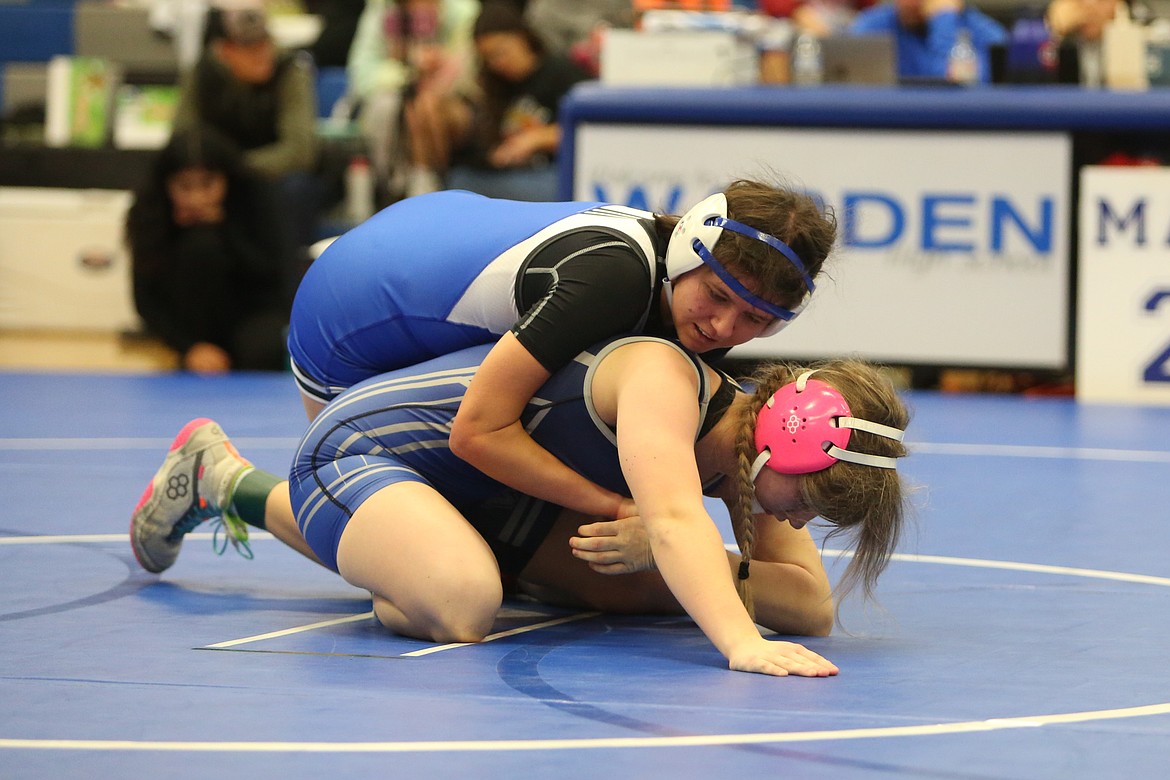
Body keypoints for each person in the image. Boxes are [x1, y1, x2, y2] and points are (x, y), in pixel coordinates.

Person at [130, 332, 911, 676]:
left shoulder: (754, 465)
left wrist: (690, 559)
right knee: (467, 604)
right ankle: (248, 488)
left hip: (487, 496)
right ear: (783, 445)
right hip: (366, 448)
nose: (805, 522)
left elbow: (810, 608)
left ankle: (223, 478)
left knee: (645, 583)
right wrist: (739, 640)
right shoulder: (668, 384)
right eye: (809, 501)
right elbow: (675, 524)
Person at [288, 180, 837, 525]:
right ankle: (233, 485)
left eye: (755, 320)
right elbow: (477, 432)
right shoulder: (613, 282)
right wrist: (617, 508)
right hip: (344, 328)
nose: (724, 326)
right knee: (463, 525)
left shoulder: (672, 291)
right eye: (717, 296)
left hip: (407, 246)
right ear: (688, 245)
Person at [125, 128, 295, 373]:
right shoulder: (150, 212)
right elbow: (145, 298)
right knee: (200, 247)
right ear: (166, 183)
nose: (197, 198)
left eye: (208, 184)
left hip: (252, 312)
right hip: (191, 325)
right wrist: (189, 347)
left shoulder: (256, 196)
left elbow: (273, 274)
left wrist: (225, 229)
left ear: (226, 177)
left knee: (262, 351)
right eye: (184, 186)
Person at [171, 3, 323, 258]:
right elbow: (182, 142)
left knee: (297, 188)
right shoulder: (202, 75)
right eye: (249, 48)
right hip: (216, 179)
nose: (262, 54)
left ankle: (290, 272)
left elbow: (300, 151)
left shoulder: (289, 71)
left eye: (265, 43)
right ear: (223, 51)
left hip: (271, 177)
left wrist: (236, 169)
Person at [441, 2, 593, 202]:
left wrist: (534, 140)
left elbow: (591, 131)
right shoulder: (498, 85)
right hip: (515, 173)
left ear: (522, 38)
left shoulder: (561, 72)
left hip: (559, 174)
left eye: (501, 52)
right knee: (459, 178)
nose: (497, 63)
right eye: (488, 58)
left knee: (461, 185)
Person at [345, 0, 480, 197]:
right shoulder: (382, 10)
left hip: (454, 97)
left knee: (427, 107)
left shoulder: (464, 11)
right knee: (390, 106)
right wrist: (409, 71)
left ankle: (432, 181)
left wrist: (441, 67)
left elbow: (473, 69)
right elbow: (361, 74)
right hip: (398, 98)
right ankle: (395, 186)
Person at [848, 0, 1007, 83]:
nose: (908, 3)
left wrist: (944, 21)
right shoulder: (872, 26)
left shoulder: (988, 35)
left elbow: (952, 89)